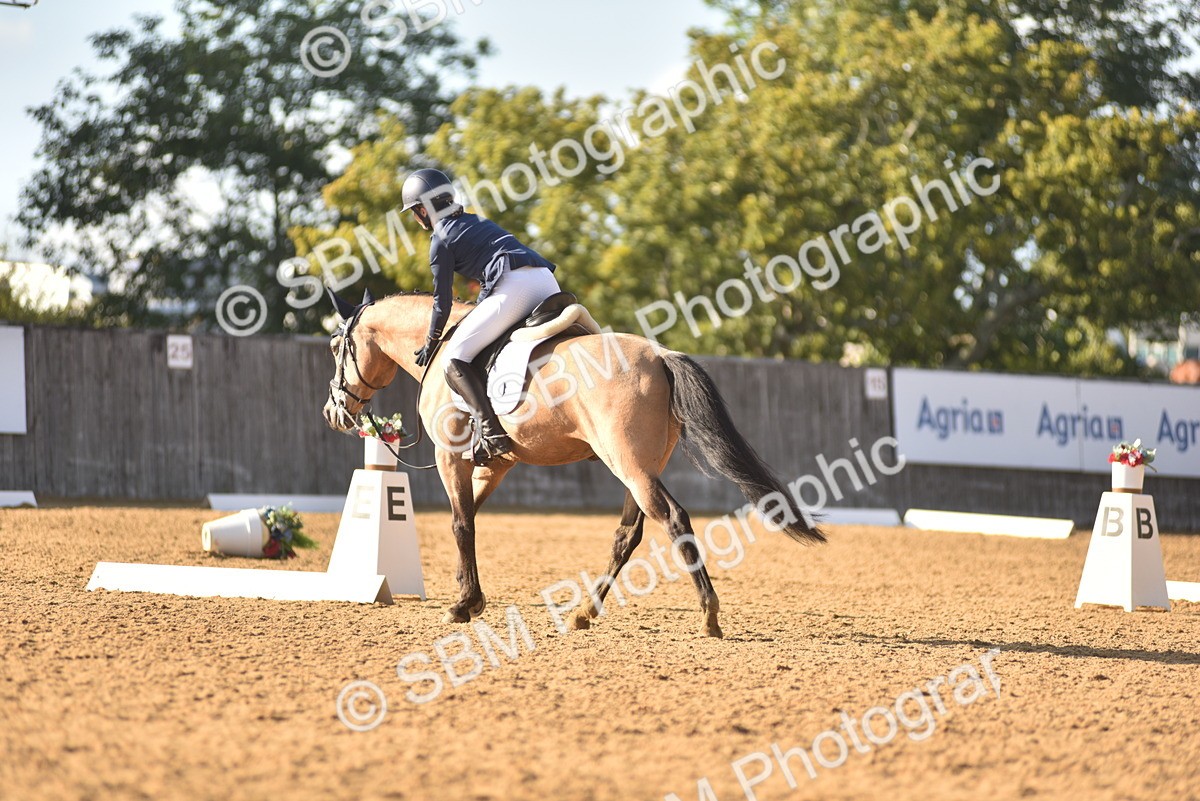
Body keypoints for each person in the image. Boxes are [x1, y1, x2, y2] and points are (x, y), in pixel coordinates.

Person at [401, 168, 561, 465]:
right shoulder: (474, 220)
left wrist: (431, 339)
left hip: (516, 285)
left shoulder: (440, 240)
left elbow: (442, 301)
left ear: (423, 210)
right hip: (546, 280)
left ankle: (491, 434)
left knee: (454, 358)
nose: (415, 218)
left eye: (414, 212)